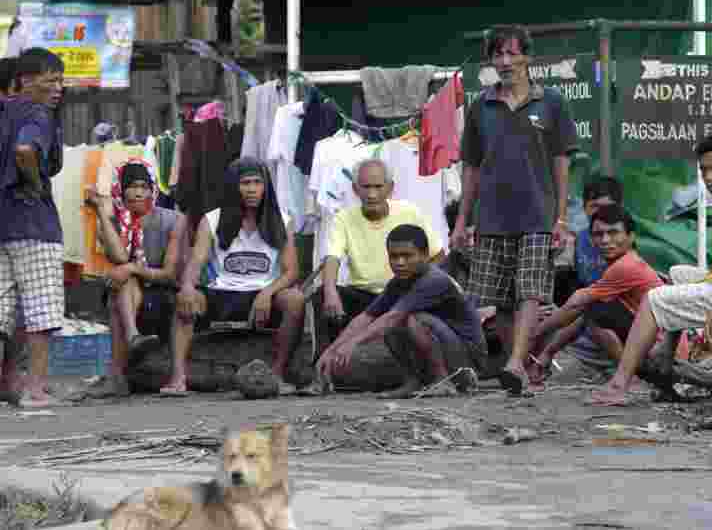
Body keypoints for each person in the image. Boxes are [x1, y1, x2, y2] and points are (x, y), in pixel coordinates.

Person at [590, 130, 712, 407]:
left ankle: (619, 384)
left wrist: (679, 296)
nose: (709, 177)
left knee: (653, 299)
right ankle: (666, 363)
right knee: (678, 273)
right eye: (704, 170)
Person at [451, 25, 578, 396]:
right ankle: (517, 367)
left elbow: (561, 162)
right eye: (498, 54)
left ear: (527, 57)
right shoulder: (481, 106)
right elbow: (471, 167)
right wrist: (462, 220)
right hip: (491, 216)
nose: (505, 61)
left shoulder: (551, 102)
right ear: (491, 61)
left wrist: (561, 217)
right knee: (502, 299)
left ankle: (515, 362)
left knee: (530, 291)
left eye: (512, 53)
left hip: (538, 214)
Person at [161, 158, 305, 397]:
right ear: (233, 186)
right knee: (186, 299)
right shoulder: (212, 219)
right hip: (222, 293)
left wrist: (267, 293)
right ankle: (178, 378)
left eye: (257, 183)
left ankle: (277, 375)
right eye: (245, 183)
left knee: (295, 300)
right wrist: (186, 287)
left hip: (263, 297)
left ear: (266, 187)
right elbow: (196, 260)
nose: (252, 189)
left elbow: (292, 271)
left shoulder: (282, 219)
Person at [317, 224, 486, 399]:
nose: (400, 262)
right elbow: (366, 317)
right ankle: (413, 382)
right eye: (394, 256)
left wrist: (353, 343)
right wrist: (332, 350)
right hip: (448, 348)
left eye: (407, 256)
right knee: (395, 324)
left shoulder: (434, 280)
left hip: (469, 360)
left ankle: (442, 381)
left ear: (425, 255)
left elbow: (392, 317)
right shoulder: (398, 282)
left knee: (411, 319)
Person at [78, 159, 186, 398]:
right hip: (130, 291)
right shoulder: (113, 223)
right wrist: (101, 212)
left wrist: (132, 268)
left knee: (123, 276)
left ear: (152, 189)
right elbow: (119, 256)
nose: (138, 193)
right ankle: (131, 342)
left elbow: (170, 273)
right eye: (132, 187)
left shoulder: (173, 220)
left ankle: (129, 364)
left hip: (165, 289)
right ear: (121, 190)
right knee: (121, 282)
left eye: (143, 187)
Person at [527, 205, 663, 388]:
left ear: (631, 237)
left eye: (613, 233)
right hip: (652, 346)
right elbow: (580, 311)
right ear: (591, 239)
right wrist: (547, 353)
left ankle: (628, 377)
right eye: (599, 234)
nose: (605, 240)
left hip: (661, 352)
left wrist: (533, 333)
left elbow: (576, 305)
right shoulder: (621, 264)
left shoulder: (626, 266)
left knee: (592, 309)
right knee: (590, 309)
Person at [0, 48, 65, 408]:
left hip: (3, 223)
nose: (58, 88)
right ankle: (35, 390)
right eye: (50, 80)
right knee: (42, 309)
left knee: (1, 310)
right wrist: (36, 184)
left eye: (60, 81)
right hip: (33, 224)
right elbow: (25, 150)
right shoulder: (37, 113)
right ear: (25, 80)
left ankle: (7, 383)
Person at [321, 158, 442, 324]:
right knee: (323, 295)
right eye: (366, 187)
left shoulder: (409, 212)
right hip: (362, 295)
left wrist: (418, 286)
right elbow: (332, 257)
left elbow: (438, 255)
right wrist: (329, 291)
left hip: (402, 294)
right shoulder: (343, 218)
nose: (372, 194)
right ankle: (331, 343)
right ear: (355, 189)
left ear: (390, 188)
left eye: (378, 187)